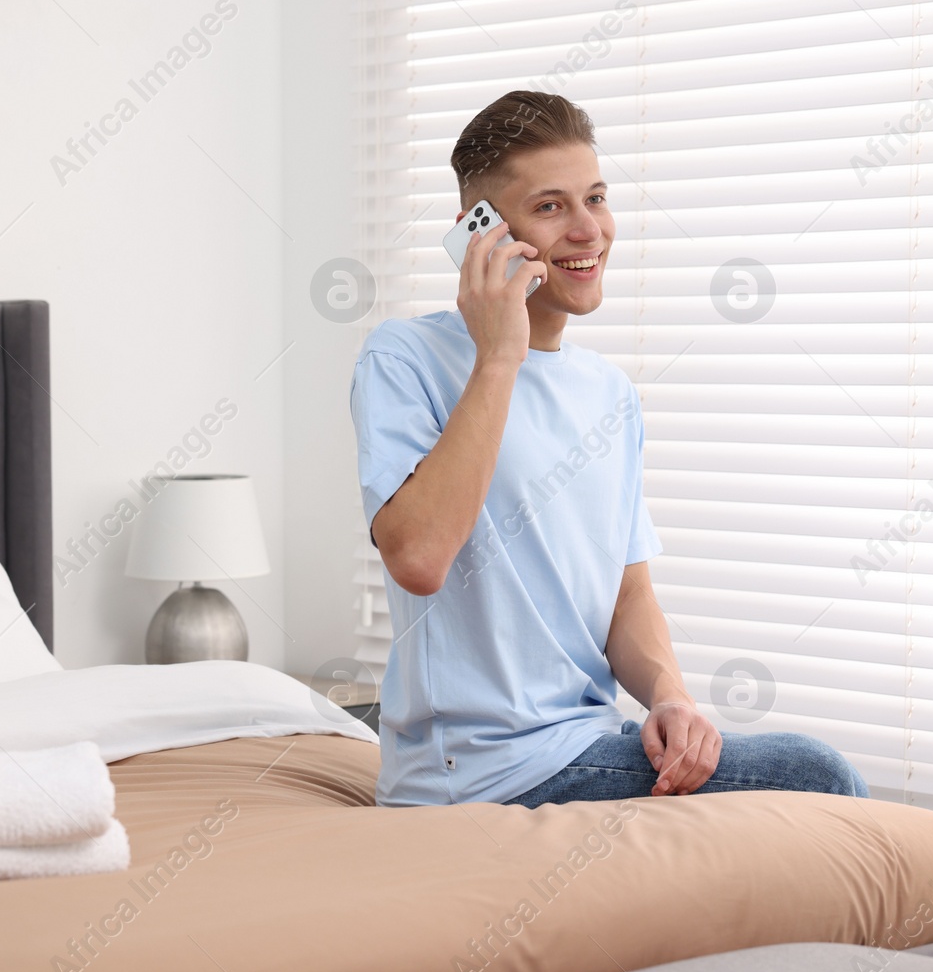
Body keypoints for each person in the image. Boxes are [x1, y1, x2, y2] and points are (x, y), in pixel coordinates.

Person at [349, 89, 868, 808]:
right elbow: (418, 557)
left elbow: (627, 593)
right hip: (476, 776)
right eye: (552, 206)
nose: (590, 229)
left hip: (591, 743)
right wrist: (500, 357)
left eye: (596, 197)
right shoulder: (405, 356)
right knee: (820, 776)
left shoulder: (610, 395)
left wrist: (671, 698)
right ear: (482, 233)